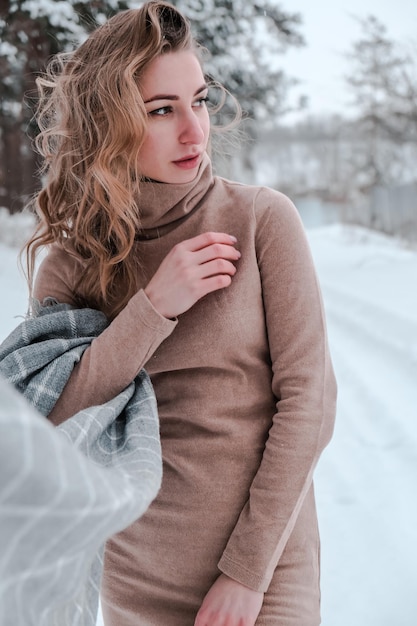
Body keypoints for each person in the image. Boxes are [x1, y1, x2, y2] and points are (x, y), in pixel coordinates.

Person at [24, 1, 337, 624]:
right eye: (161, 110)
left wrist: (246, 575)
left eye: (199, 100)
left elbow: (309, 402)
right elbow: (51, 421)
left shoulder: (259, 219)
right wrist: (153, 307)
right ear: (105, 123)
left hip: (265, 577)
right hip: (135, 582)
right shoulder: (70, 263)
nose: (195, 130)